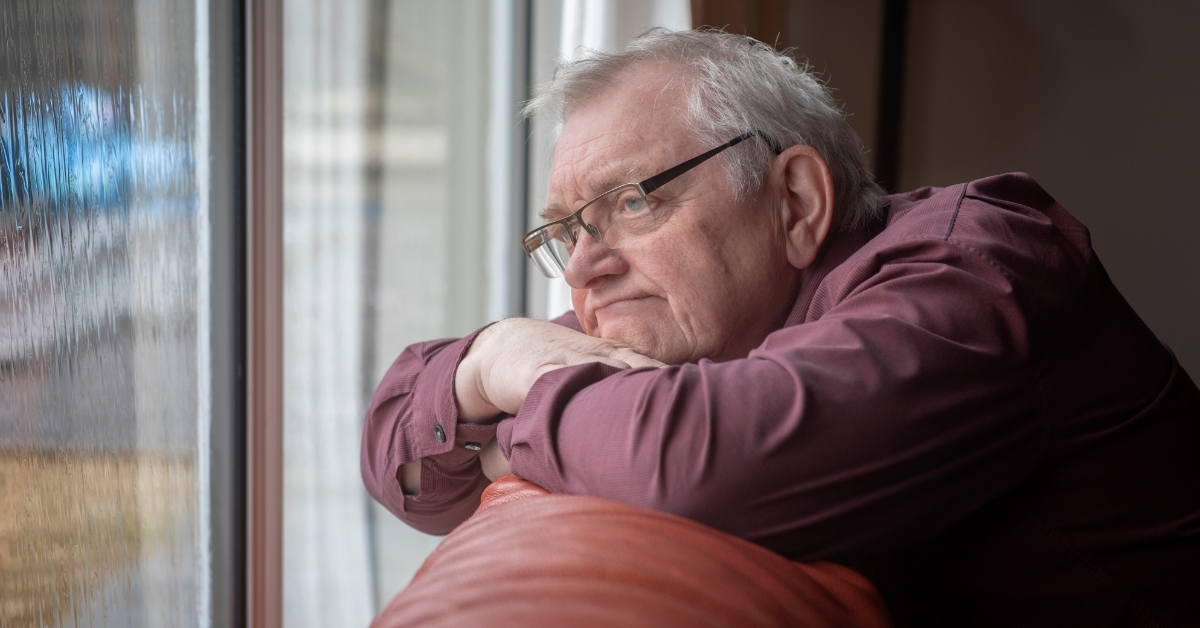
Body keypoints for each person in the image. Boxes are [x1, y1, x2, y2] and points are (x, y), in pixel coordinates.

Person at [361, 29, 1200, 625]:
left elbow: (703, 466)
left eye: (632, 202)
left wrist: (517, 426)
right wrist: (494, 358)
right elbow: (403, 460)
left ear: (795, 202)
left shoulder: (980, 270)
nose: (582, 267)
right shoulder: (702, 314)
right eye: (565, 229)